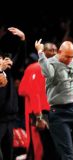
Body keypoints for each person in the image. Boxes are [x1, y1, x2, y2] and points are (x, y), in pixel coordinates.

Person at [34, 39, 73, 160]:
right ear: (59, 52)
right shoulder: (50, 62)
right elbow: (48, 74)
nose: (69, 60)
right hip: (58, 111)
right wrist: (41, 53)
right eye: (67, 56)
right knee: (67, 154)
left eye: (72, 56)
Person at [18, 42, 59, 160]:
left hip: (50, 113)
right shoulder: (36, 68)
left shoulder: (49, 68)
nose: (54, 53)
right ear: (42, 52)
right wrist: (39, 117)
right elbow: (30, 92)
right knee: (39, 150)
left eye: (55, 50)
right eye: (50, 50)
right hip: (40, 114)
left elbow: (22, 90)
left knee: (48, 150)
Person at [0, 27, 26, 160]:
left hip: (10, 119)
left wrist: (22, 40)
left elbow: (20, 59)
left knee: (8, 154)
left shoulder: (7, 69)